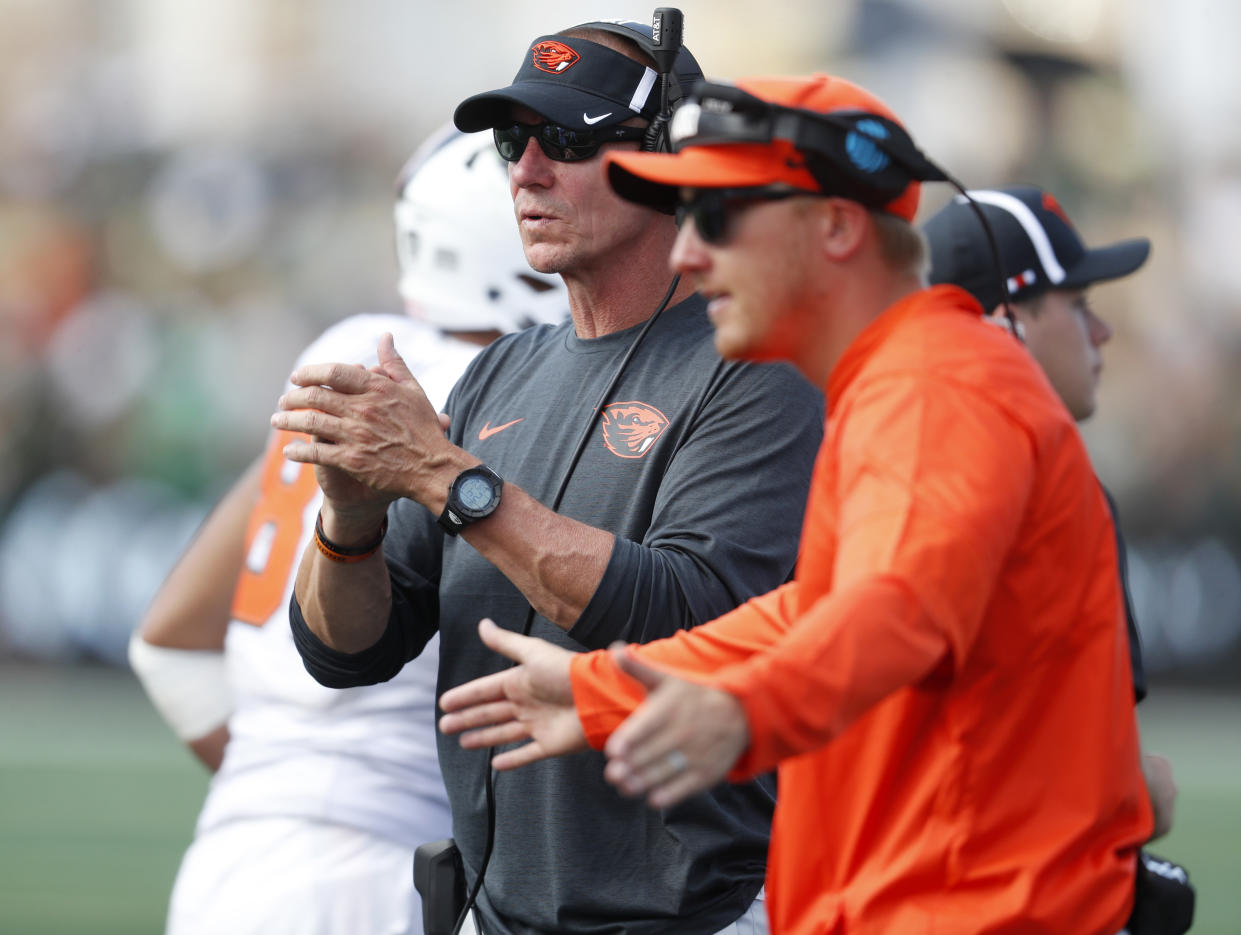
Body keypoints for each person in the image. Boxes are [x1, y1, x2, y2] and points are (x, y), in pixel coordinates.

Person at [437, 73, 1154, 934]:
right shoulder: (902, 382)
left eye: (720, 218)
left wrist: (738, 708)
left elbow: (896, 613)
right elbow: (816, 613)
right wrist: (605, 688)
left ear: (837, 226)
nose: (688, 252)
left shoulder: (935, 386)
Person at [274, 20, 824, 935]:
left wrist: (453, 480)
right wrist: (349, 519)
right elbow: (347, 652)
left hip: (700, 914)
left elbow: (695, 614)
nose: (526, 171)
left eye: (567, 140)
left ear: (670, 161)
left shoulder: (758, 366)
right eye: (510, 143)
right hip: (492, 914)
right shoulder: (501, 372)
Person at [129, 127, 567, 935]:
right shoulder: (504, 394)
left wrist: (295, 799)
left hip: (234, 861)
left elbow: (166, 640)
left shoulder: (347, 351)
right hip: (384, 871)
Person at [921, 184, 1181, 837]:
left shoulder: (857, 453)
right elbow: (1102, 773)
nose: (1101, 329)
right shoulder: (1055, 488)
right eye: (1078, 304)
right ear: (1006, 324)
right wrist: (1148, 789)